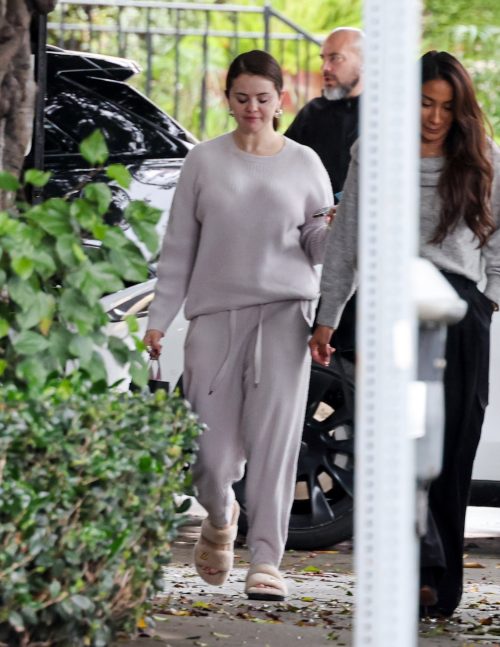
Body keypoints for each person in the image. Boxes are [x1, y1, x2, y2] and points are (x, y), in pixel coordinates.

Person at [309, 50, 500, 617]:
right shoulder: (375, 153)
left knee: (451, 450)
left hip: (458, 311)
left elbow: (497, 238)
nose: (435, 117)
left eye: (447, 107)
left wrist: (489, 299)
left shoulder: (482, 157)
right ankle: (413, 573)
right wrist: (328, 313)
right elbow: (347, 240)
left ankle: (440, 586)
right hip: (391, 306)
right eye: (424, 103)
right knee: (392, 449)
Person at [144, 50, 333, 601]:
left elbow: (318, 248)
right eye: (243, 98)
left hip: (285, 315)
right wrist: (159, 318)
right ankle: (220, 512)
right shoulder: (203, 161)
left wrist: (339, 227)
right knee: (211, 455)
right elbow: (179, 247)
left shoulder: (305, 163)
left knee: (275, 444)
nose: (253, 108)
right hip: (214, 318)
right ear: (227, 100)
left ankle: (266, 560)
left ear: (281, 101)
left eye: (263, 98)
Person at [286, 27, 364, 359]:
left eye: (336, 58)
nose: (325, 68)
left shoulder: (390, 118)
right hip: (315, 253)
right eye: (323, 59)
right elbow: (282, 174)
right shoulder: (311, 115)